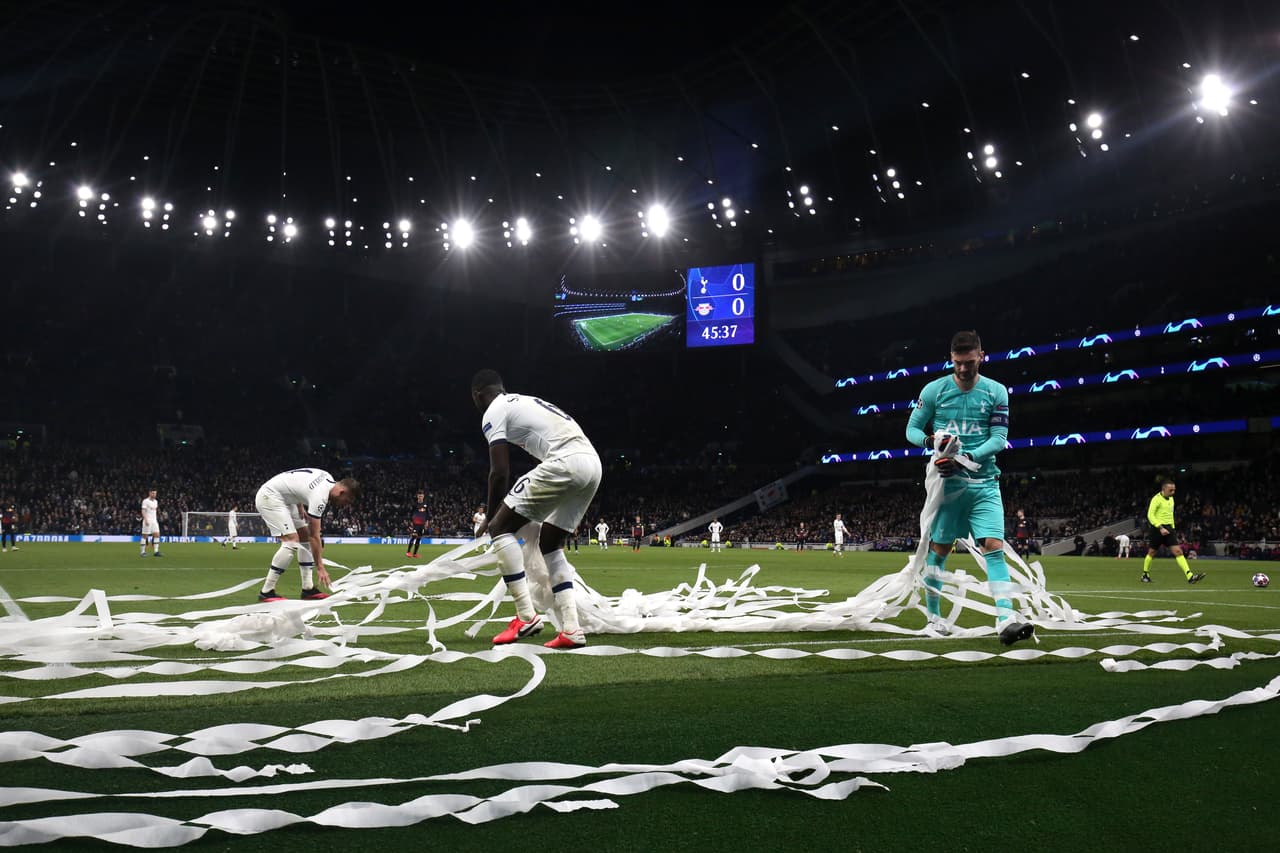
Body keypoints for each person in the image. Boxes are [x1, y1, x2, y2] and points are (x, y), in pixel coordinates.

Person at [906, 329, 1033, 645]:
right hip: (948, 488)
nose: (963, 369)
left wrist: (966, 458)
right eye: (958, 363)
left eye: (969, 362)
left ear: (981, 356)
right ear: (952, 359)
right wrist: (931, 442)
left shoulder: (996, 392)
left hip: (985, 484)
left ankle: (1005, 619)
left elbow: (999, 439)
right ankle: (934, 619)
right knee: (939, 550)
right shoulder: (935, 390)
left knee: (993, 545)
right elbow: (911, 429)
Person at [472, 369, 602, 649]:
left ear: (478, 395)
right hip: (593, 465)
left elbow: (499, 471)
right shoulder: (525, 401)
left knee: (499, 528)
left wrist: (491, 518)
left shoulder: (493, 410)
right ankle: (571, 629)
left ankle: (526, 616)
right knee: (551, 545)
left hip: (566, 462)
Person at [254, 468, 360, 602]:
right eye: (346, 501)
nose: (344, 505)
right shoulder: (320, 497)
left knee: (303, 537)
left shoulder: (326, 475)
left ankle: (308, 589)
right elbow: (314, 536)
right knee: (292, 540)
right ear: (342, 492)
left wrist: (300, 506)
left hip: (287, 499)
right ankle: (267, 591)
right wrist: (320, 568)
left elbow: (297, 482)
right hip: (270, 497)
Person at [1141, 479, 1205, 584]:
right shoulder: (1156, 499)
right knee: (1152, 552)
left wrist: (1172, 528)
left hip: (1169, 529)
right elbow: (1150, 515)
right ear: (1164, 489)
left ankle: (1190, 576)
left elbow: (1170, 515)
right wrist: (1160, 527)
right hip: (1158, 529)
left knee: (1178, 552)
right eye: (1171, 490)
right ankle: (1145, 574)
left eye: (1174, 490)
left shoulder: (1171, 499)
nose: (1173, 492)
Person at [140, 489, 161, 557]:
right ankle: (142, 552)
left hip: (154, 521)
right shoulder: (145, 501)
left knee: (157, 535)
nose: (154, 495)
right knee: (145, 536)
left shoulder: (156, 501)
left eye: (155, 493)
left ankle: (156, 551)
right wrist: (145, 519)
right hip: (147, 520)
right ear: (149, 493)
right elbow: (143, 511)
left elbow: (154, 511)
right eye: (153, 493)